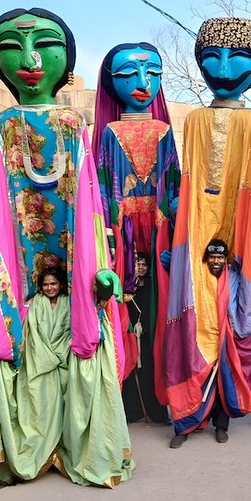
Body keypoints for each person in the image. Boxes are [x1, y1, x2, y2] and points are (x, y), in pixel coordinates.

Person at [0, 8, 121, 485]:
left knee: (78, 316)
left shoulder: (72, 121)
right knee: (19, 321)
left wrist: (100, 265)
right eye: (13, 48)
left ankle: (79, 442)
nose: (29, 60)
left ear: (66, 57)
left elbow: (89, 202)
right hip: (18, 241)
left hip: (71, 234)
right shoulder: (5, 122)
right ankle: (29, 442)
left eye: (44, 46)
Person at [163, 17, 251, 446]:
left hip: (242, 225)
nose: (224, 68)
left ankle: (222, 419)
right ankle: (187, 416)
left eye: (239, 58)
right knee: (193, 312)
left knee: (236, 317)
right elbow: (190, 178)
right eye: (213, 57)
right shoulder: (196, 119)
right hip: (194, 225)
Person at [93, 42, 180, 409]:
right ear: (111, 82)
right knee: (122, 310)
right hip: (122, 228)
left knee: (160, 309)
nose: (143, 82)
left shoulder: (164, 130)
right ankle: (126, 397)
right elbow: (102, 185)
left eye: (153, 73)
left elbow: (173, 186)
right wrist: (108, 236)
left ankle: (160, 398)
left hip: (159, 228)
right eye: (129, 74)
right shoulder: (110, 132)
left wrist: (179, 229)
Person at [58, 269, 135, 486]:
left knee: (101, 406)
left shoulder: (100, 312)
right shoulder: (69, 307)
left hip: (97, 359)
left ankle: (101, 456)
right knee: (79, 408)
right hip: (78, 357)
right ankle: (82, 452)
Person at [169, 240, 233, 447]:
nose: (216, 261)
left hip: (224, 338)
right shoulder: (196, 276)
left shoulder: (232, 277)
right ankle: (184, 427)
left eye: (220, 257)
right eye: (212, 257)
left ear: (225, 259)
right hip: (197, 340)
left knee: (222, 384)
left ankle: (221, 427)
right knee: (192, 382)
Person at [122, 253, 169, 423]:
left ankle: (157, 414)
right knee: (131, 374)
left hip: (149, 337)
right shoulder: (128, 287)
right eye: (137, 264)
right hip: (131, 336)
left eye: (143, 264)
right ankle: (134, 412)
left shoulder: (152, 287)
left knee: (150, 373)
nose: (140, 268)